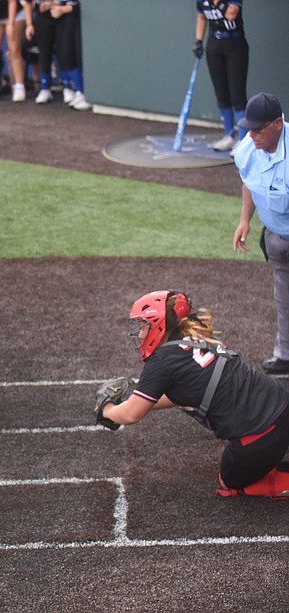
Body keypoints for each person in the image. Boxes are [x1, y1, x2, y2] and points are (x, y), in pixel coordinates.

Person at [96, 290, 289, 499]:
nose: (140, 332)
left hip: (260, 434)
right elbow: (182, 393)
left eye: (144, 325)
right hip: (281, 406)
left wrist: (107, 409)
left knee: (231, 481)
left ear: (159, 324)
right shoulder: (195, 337)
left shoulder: (163, 361)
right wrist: (133, 397)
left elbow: (131, 415)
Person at [232, 92, 289, 374]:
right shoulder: (247, 149)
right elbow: (249, 182)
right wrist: (245, 219)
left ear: (278, 124)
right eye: (248, 128)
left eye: (258, 128)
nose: (251, 134)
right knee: (284, 299)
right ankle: (286, 355)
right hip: (277, 237)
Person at [194, 0, 249, 152]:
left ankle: (244, 141)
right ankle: (229, 136)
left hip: (235, 45)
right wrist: (198, 41)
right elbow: (202, 16)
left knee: (237, 95)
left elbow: (231, 15)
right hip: (214, 45)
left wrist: (218, 4)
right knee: (221, 93)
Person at [32, 0, 91, 111]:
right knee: (53, 53)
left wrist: (63, 8)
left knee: (67, 54)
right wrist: (52, 4)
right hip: (55, 14)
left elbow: (84, 4)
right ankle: (48, 89)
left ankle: (81, 92)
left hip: (72, 16)